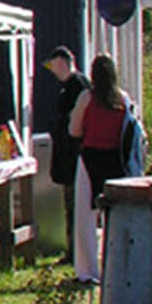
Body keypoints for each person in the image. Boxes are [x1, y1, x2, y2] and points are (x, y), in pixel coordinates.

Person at [68, 53, 136, 284]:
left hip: (90, 158)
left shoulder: (86, 97)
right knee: (116, 215)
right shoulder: (123, 99)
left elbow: (74, 130)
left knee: (85, 217)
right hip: (116, 160)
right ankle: (119, 264)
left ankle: (87, 270)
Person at [44, 46, 90, 264]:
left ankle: (75, 252)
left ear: (61, 62)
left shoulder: (78, 86)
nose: (52, 70)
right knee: (70, 205)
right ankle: (72, 250)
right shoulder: (70, 86)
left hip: (74, 156)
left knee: (75, 206)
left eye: (53, 65)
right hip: (67, 155)